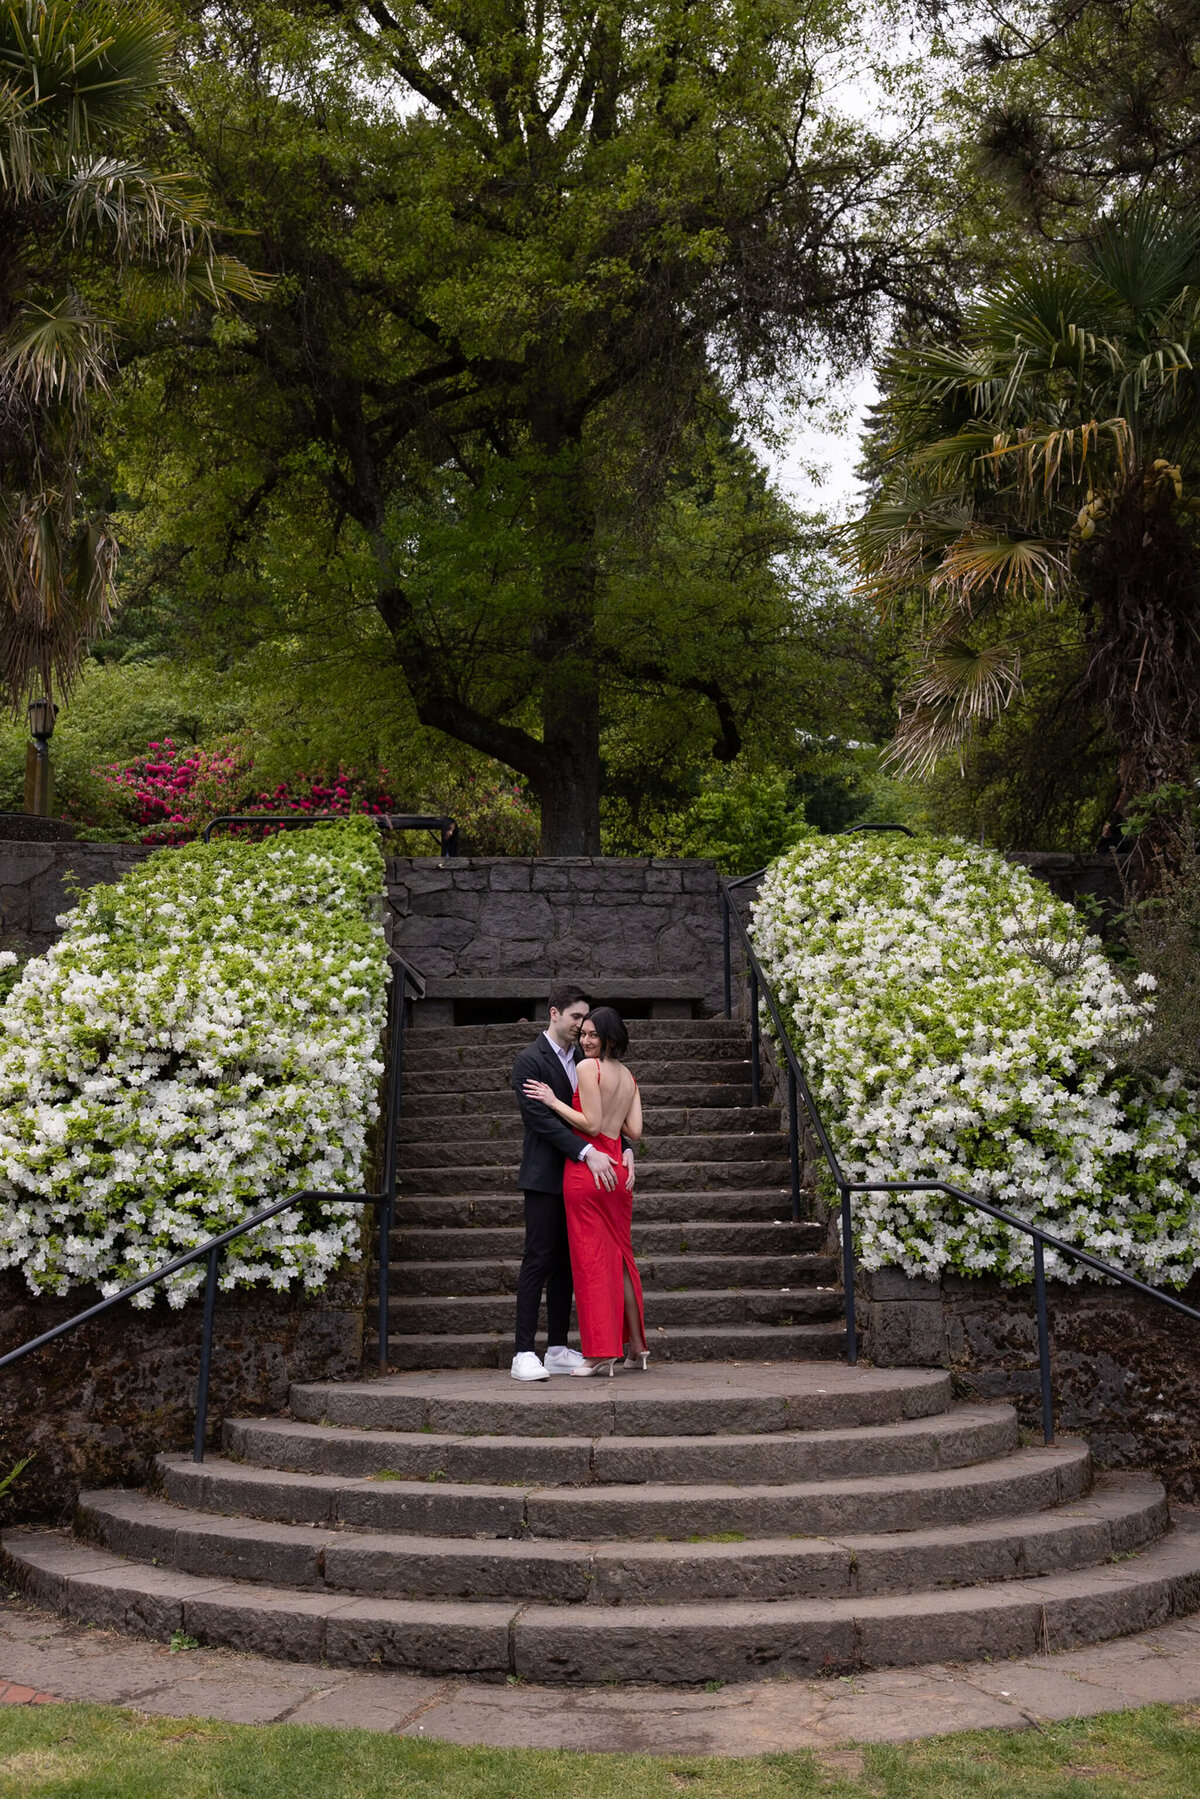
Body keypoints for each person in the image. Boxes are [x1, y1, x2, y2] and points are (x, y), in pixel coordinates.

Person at [509, 986, 636, 1381]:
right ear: (554, 1014)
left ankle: (559, 1347)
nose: (583, 1026)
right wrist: (586, 1152)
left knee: (568, 1263)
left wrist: (626, 1146)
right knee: (539, 1258)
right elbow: (541, 1121)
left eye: (586, 1019)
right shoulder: (529, 1061)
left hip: (583, 1177)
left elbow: (600, 1108)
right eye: (576, 1017)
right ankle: (523, 1352)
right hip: (548, 1176)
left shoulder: (585, 1058)